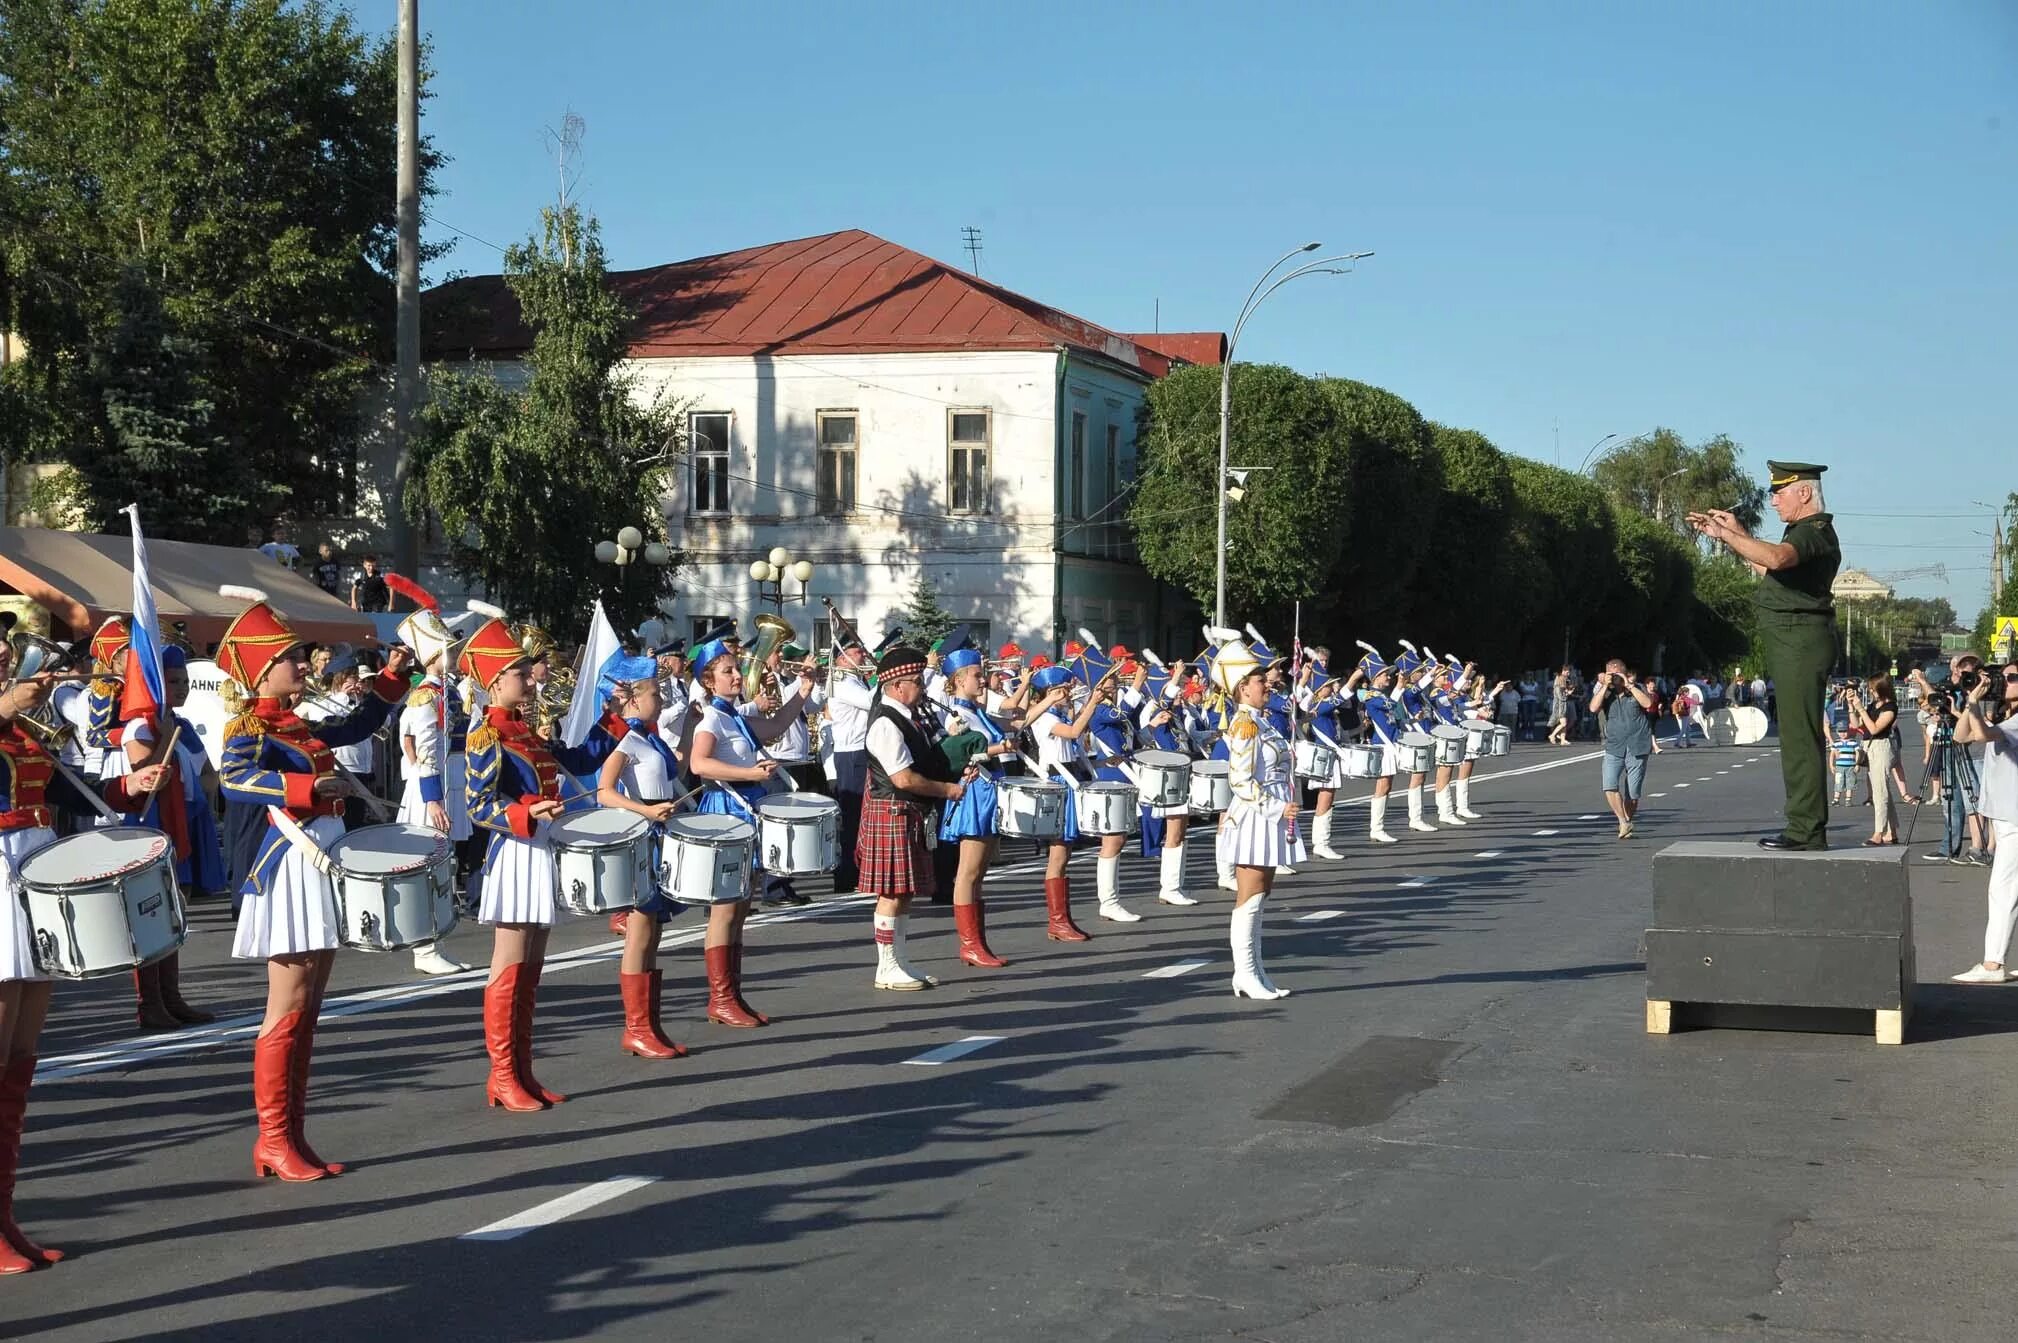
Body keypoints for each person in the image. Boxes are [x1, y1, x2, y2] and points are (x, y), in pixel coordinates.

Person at [215, 589, 413, 1178]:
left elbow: (356, 726)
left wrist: (390, 681)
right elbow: (234, 780)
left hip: (317, 860)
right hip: (285, 867)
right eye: (294, 657)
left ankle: (289, 1137)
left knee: (310, 1005)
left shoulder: (297, 726)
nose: (305, 665)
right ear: (262, 669)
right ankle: (273, 1138)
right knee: (289, 1004)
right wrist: (307, 791)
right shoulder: (247, 725)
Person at [1, 647, 169, 1275]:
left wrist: (131, 785)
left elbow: (72, 793)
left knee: (21, 1054)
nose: (4, 657)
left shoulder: (25, 730)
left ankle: (3, 1216)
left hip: (33, 872)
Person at [459, 609, 615, 1111]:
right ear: (494, 680)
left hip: (539, 847)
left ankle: (520, 1071)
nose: (530, 678)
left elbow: (578, 762)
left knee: (531, 967)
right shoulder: (487, 735)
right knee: (509, 965)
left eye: (528, 671)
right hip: (515, 850)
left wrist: (615, 717)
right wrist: (526, 810)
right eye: (520, 673)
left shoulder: (526, 731)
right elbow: (478, 805)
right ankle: (502, 1075)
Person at [1690, 461, 1841, 850]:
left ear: (1804, 493)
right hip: (1794, 641)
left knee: (1800, 737)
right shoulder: (1802, 533)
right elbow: (1767, 568)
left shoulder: (1813, 532)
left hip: (1800, 641)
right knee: (1795, 734)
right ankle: (1804, 825)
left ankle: (1806, 829)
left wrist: (1729, 534)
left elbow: (1776, 559)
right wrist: (1731, 535)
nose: (1773, 501)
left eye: (1780, 492)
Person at [684, 637, 804, 1025]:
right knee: (724, 911)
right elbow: (699, 764)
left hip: (743, 811)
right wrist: (749, 773)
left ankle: (731, 995)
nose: (738, 675)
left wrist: (804, 690)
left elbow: (776, 725)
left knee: (739, 909)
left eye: (736, 669)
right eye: (728, 671)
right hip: (726, 812)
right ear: (708, 681)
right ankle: (720, 998)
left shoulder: (732, 715)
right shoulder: (712, 719)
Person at [852, 646, 969, 989]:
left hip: (906, 811)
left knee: (902, 892)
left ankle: (899, 961)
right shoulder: (887, 723)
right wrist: (946, 790)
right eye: (916, 681)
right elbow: (903, 778)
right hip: (892, 809)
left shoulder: (906, 716)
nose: (921, 686)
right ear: (896, 687)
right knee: (891, 892)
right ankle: (886, 967)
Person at [117, 646, 222, 1029]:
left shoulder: (185, 725)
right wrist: (162, 731)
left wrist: (204, 798)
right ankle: (150, 1002)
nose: (181, 688)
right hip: (153, 822)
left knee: (176, 909)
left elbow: (208, 771)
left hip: (189, 819)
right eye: (173, 681)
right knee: (152, 912)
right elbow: (146, 772)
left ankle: (172, 996)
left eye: (185, 682)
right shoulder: (140, 726)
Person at [592, 658, 689, 1058]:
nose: (660, 699)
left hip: (659, 829)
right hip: (641, 834)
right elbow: (603, 791)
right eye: (653, 693)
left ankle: (648, 1024)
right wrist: (648, 812)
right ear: (632, 698)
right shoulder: (624, 740)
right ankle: (635, 1028)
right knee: (640, 931)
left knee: (654, 931)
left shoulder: (648, 737)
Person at [935, 647, 1045, 966]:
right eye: (976, 675)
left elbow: (1011, 723)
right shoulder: (956, 715)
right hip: (973, 793)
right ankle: (969, 944)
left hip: (989, 790)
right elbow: (958, 756)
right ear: (958, 679)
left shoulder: (975, 711)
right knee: (968, 872)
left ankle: (978, 943)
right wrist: (999, 749)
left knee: (980, 872)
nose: (982, 680)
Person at [1214, 636, 1302, 1000]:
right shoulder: (1245, 725)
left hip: (1270, 817)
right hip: (1254, 817)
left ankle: (1256, 972)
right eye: (1259, 680)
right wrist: (1276, 807)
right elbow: (1240, 780)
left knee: (1261, 895)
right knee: (1249, 897)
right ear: (1242, 689)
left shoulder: (1262, 722)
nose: (1267, 684)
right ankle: (1245, 974)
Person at [393, 615, 476, 976]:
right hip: (434, 787)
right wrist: (432, 798)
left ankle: (435, 942)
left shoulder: (447, 689)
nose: (455, 654)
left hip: (448, 783)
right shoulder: (426, 695)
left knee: (443, 867)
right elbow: (423, 748)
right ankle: (424, 948)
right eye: (449, 650)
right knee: (429, 866)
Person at [1947, 662, 2018, 982]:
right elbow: (1962, 735)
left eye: (2012, 678)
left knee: (2002, 889)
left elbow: (1983, 734)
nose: (2005, 683)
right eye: (2002, 678)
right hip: (2004, 816)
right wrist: (1970, 702)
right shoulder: (2005, 716)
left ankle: (1993, 965)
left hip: (2015, 818)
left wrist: (1975, 703)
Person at [1028, 661, 1102, 940]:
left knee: (1065, 852)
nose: (1069, 694)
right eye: (1064, 690)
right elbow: (1072, 734)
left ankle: (1061, 919)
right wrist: (1092, 703)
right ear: (1051, 691)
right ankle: (1057, 921)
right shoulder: (1045, 718)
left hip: (1068, 778)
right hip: (1057, 782)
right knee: (1058, 853)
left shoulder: (1057, 715)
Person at [1592, 658, 1656, 839]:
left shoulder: (1636, 688)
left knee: (1633, 795)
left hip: (1638, 745)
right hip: (1614, 745)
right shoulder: (1605, 692)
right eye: (1609, 673)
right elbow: (1593, 708)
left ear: (1624, 673)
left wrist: (1629, 685)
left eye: (1616, 674)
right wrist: (1605, 686)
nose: (1613, 678)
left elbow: (1648, 704)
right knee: (1609, 784)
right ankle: (1623, 821)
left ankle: (1627, 820)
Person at [1547, 666, 1576, 746]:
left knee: (1564, 722)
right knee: (1563, 723)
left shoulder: (1562, 679)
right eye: (1567, 671)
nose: (1568, 673)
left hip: (1561, 703)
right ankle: (1552, 735)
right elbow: (1560, 694)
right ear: (1562, 671)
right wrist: (1568, 693)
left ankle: (1563, 739)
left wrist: (1567, 691)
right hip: (1560, 705)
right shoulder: (1560, 679)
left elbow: (1562, 691)